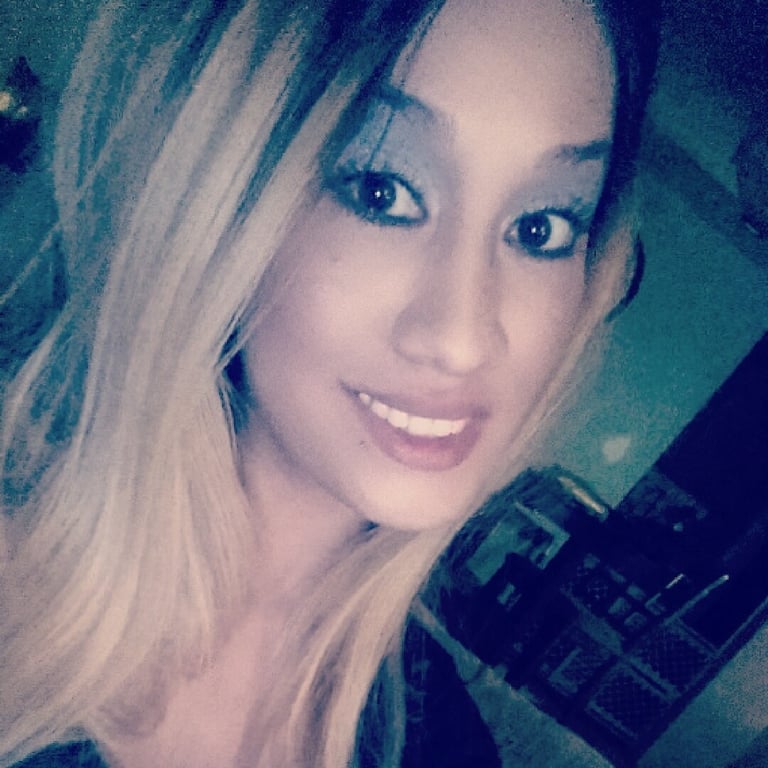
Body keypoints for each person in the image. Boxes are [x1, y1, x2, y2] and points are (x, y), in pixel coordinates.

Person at [0, 0, 659, 765]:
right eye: (381, 190)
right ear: (222, 194)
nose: (463, 337)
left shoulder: (442, 745)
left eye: (540, 228)